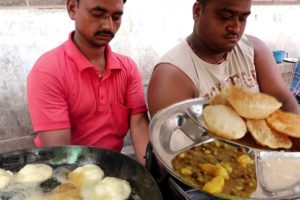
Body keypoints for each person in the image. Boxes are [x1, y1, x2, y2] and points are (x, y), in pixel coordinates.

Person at [27, 0, 149, 165]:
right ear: (72, 9)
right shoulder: (48, 71)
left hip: (110, 169)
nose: (108, 25)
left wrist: (151, 174)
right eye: (98, 14)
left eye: (116, 17)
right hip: (62, 171)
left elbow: (139, 125)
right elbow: (59, 155)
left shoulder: (127, 69)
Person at [147, 0, 300, 117]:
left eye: (242, 19)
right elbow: (176, 152)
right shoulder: (172, 75)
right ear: (198, 11)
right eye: (225, 17)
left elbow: (286, 104)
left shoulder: (255, 51)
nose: (236, 28)